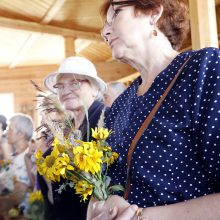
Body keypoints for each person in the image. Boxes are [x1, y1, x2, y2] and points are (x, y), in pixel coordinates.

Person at [87, 0, 220, 219]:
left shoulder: (204, 69)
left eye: (116, 14)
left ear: (153, 13)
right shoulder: (121, 103)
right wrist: (104, 205)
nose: (104, 31)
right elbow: (107, 180)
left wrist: (141, 215)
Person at [39, 56, 109, 220]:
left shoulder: (107, 119)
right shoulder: (66, 129)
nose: (65, 90)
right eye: (60, 86)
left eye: (75, 83)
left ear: (95, 89)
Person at [0, 113, 34, 215]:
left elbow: (18, 196)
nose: (6, 132)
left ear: (21, 134)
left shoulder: (26, 157)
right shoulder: (14, 156)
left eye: (10, 129)